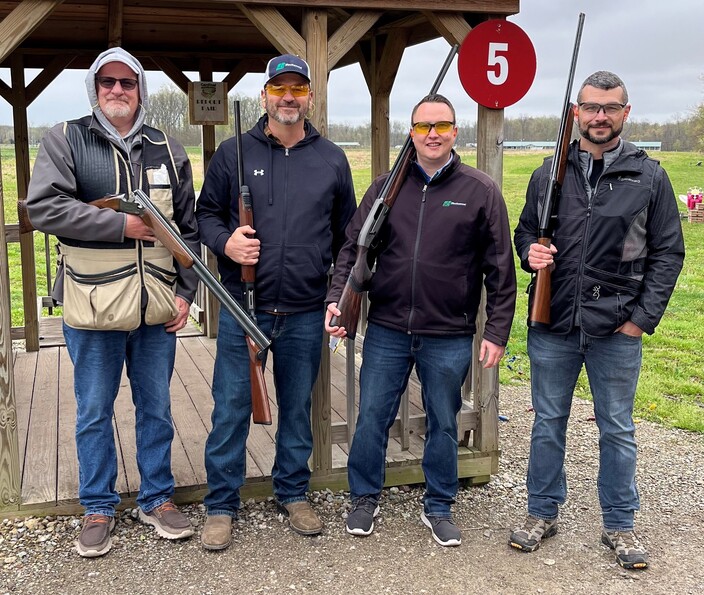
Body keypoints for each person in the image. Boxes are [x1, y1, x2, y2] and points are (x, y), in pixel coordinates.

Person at [26, 47, 199, 557]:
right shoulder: (66, 138)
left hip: (155, 308)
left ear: (140, 89)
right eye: (108, 82)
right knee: (94, 411)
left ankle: (158, 498)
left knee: (158, 409)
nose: (118, 90)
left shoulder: (167, 145)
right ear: (95, 88)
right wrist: (120, 225)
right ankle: (98, 506)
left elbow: (186, 229)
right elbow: (44, 207)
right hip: (93, 306)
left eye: (128, 82)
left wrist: (186, 294)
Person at [510, 71, 685, 569]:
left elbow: (668, 253)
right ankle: (542, 513)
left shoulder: (649, 176)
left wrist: (640, 320)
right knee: (547, 423)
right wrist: (532, 254)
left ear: (626, 113)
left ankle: (620, 524)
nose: (599, 117)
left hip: (617, 328)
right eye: (590, 107)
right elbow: (525, 233)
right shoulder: (549, 174)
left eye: (610, 108)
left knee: (617, 428)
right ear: (576, 114)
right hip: (554, 323)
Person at [326, 94, 517, 547]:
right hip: (388, 329)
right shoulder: (384, 188)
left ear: (456, 132)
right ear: (410, 133)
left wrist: (497, 331)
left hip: (448, 333)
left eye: (442, 125)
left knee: (444, 422)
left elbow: (501, 268)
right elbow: (352, 249)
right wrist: (339, 298)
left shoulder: (480, 190)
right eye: (423, 126)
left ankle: (438, 504)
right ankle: (363, 497)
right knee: (372, 416)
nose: (432, 134)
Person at [195, 53, 357, 550]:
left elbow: (346, 236)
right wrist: (227, 244)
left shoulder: (331, 158)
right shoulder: (231, 153)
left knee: (298, 407)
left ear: (309, 96)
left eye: (298, 89)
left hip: (306, 310)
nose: (289, 98)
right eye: (280, 89)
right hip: (244, 307)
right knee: (230, 410)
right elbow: (204, 216)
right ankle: (222, 504)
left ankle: (293, 492)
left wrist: (336, 295)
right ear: (266, 95)